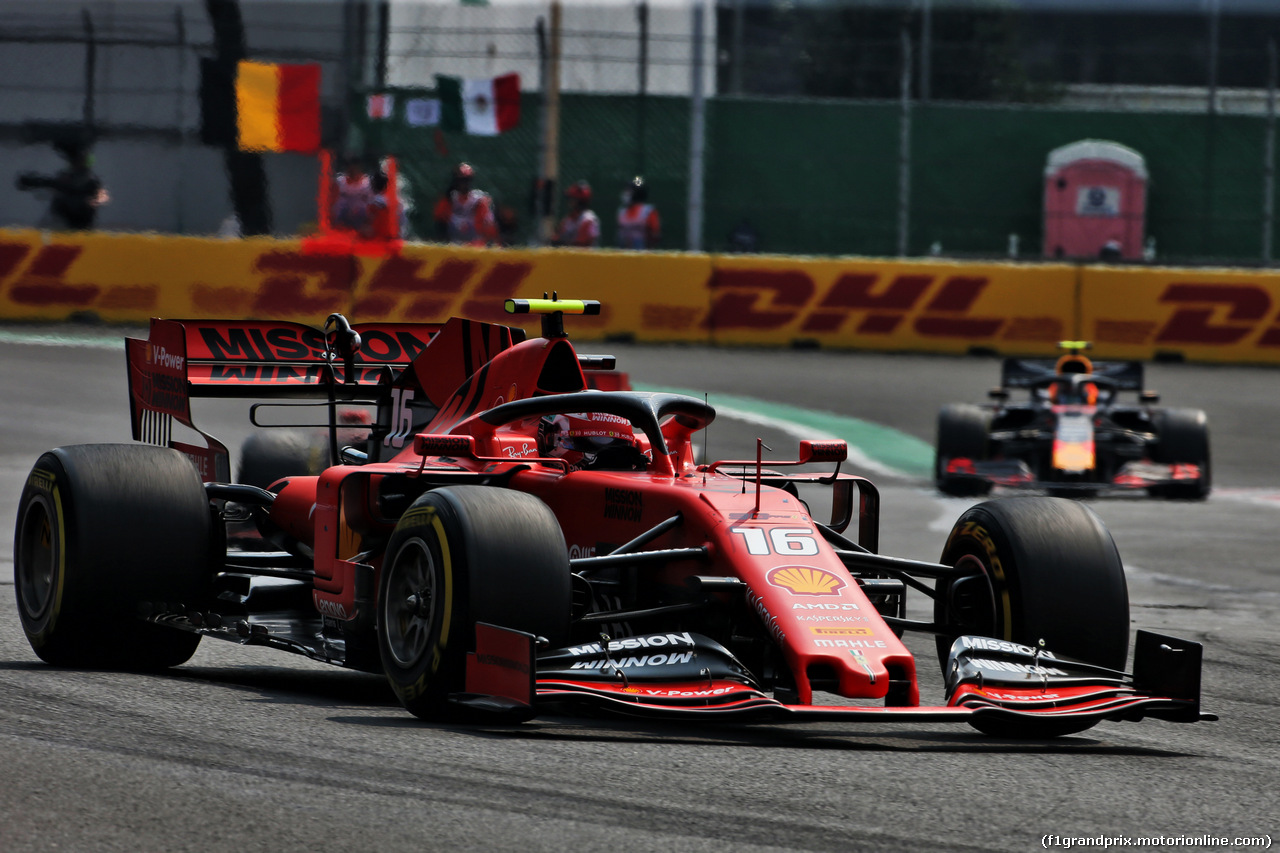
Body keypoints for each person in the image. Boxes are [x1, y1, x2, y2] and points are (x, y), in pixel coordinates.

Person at [16, 141, 109, 230]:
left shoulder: (90, 184)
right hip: (61, 233)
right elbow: (51, 183)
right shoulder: (66, 181)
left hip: (80, 233)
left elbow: (84, 206)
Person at [432, 162, 498, 246]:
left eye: (466, 180)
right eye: (460, 180)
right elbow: (439, 217)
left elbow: (488, 226)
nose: (463, 184)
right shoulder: (449, 199)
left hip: (475, 243)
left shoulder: (478, 200)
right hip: (452, 243)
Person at [332, 155, 375, 234]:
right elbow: (334, 199)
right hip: (344, 213)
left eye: (354, 166)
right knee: (341, 205)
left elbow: (371, 201)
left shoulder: (367, 183)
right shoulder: (340, 181)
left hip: (361, 214)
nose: (352, 169)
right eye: (349, 166)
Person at [551, 180, 600, 248]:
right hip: (569, 255)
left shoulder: (588, 219)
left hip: (585, 257)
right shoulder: (569, 219)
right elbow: (556, 237)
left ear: (580, 201)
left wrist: (559, 243)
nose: (569, 202)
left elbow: (580, 245)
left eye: (572, 199)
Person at [616, 176, 660, 250]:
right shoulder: (622, 212)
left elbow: (655, 235)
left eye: (628, 191)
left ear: (637, 192)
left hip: (643, 255)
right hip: (624, 254)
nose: (626, 193)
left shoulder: (648, 212)